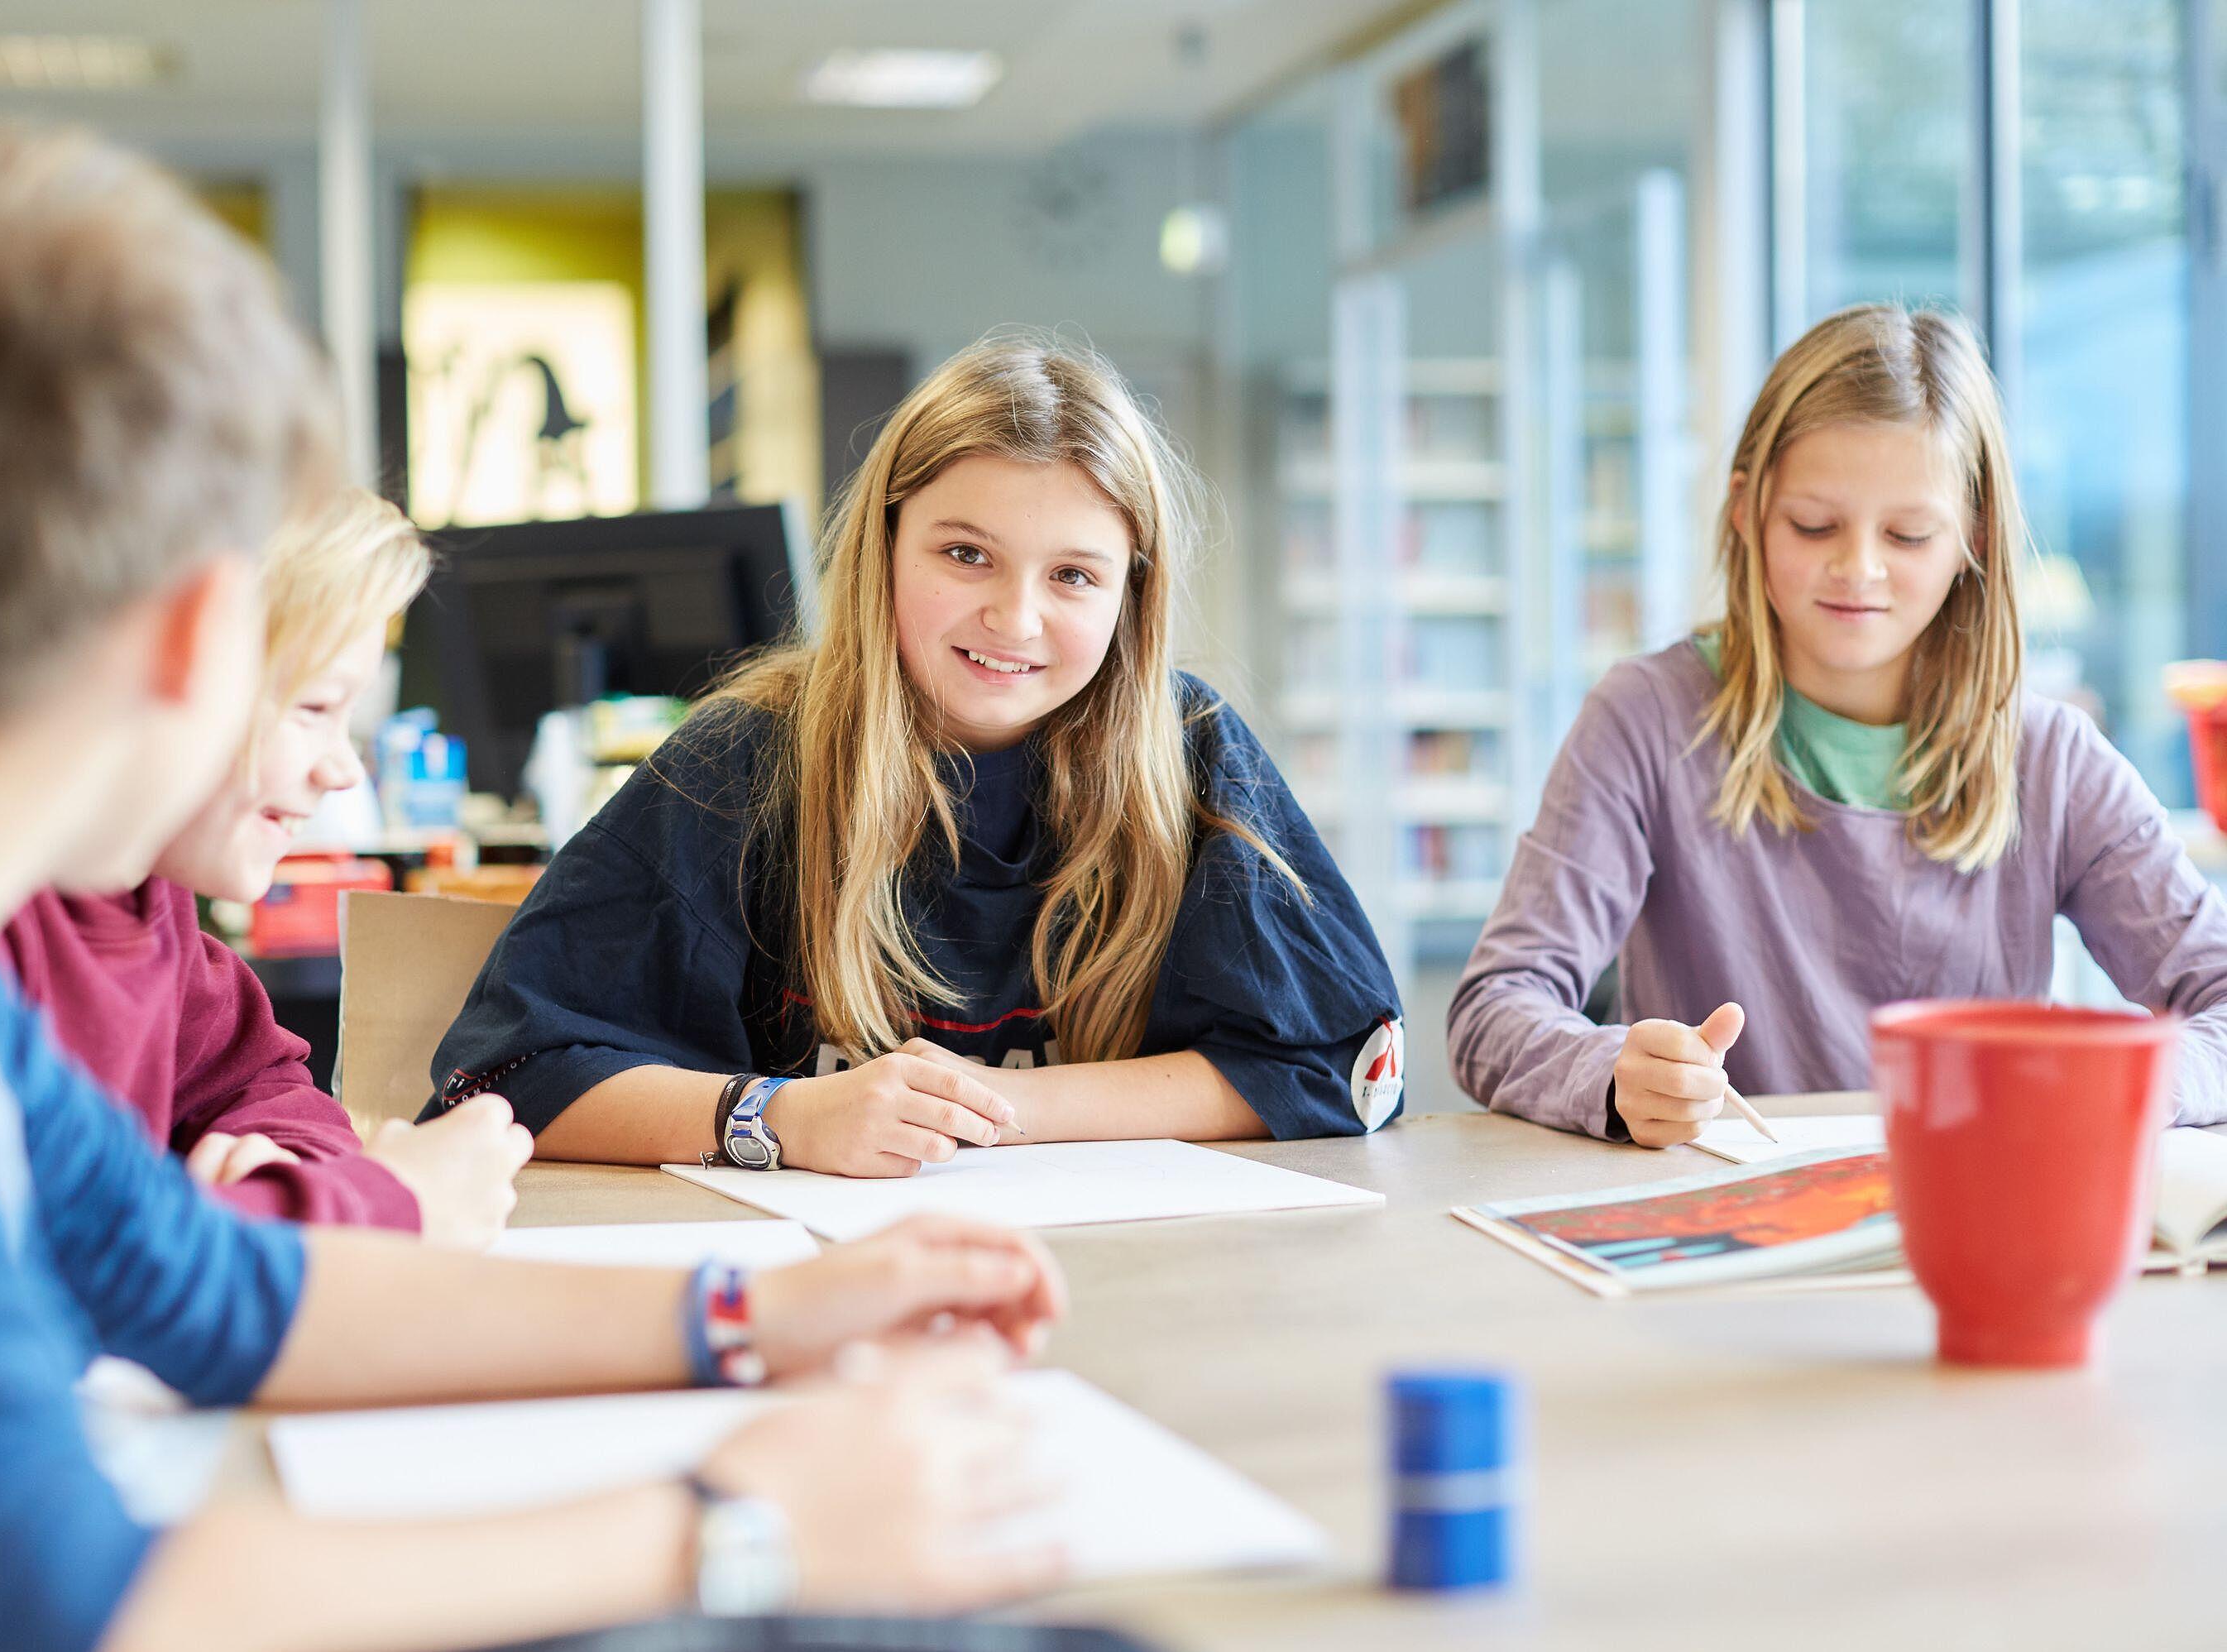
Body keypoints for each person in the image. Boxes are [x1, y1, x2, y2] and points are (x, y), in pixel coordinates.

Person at [0, 124, 1066, 1652]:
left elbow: (222, 1291)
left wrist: (749, 1317)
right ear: (196, 640)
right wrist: (738, 1525)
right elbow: (74, 1610)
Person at [429, 334, 1404, 1177]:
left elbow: (1346, 1065)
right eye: (965, 554)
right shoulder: (747, 760)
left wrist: (985, 1107)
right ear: (884, 544)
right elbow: (507, 1073)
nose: (1014, 616)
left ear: (1130, 597)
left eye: (1073, 574)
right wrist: (786, 1118)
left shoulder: (1186, 754)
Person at [1447, 304, 2227, 1146]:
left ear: (1974, 534)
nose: (1858, 568)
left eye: (1908, 534)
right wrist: (1609, 1073)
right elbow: (1496, 1004)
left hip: (1983, 1218)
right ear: (1746, 511)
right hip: (1728, 1219)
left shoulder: (2054, 758)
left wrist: (2126, 1079)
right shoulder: (1644, 718)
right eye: (1814, 525)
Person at [0, 487, 528, 1245]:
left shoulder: (149, 903)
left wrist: (283, 1174)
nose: (344, 769)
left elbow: (266, 1087)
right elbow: (61, 1254)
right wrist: (380, 1204)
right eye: (314, 708)